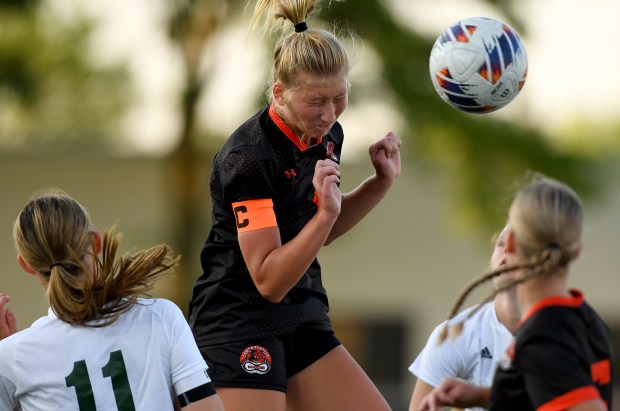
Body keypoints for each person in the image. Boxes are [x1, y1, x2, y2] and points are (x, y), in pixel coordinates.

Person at [188, 0, 401, 410]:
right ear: (279, 92)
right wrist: (325, 214)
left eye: (339, 99)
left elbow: (319, 232)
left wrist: (380, 183)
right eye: (316, 102)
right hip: (240, 321)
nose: (328, 115)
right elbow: (268, 280)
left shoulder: (328, 134)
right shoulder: (249, 159)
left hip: (302, 312)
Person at [0, 190, 225, 411]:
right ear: (96, 242)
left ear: (26, 265)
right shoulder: (162, 317)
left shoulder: (10, 357)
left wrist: (12, 366)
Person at [418, 176, 613, 411]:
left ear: (509, 243)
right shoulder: (589, 321)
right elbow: (553, 391)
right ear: (576, 252)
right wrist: (486, 396)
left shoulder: (542, 336)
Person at [408, 226, 520, 411]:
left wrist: (481, 397)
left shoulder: (569, 331)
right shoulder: (457, 332)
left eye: (518, 244)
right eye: (501, 243)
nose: (506, 250)